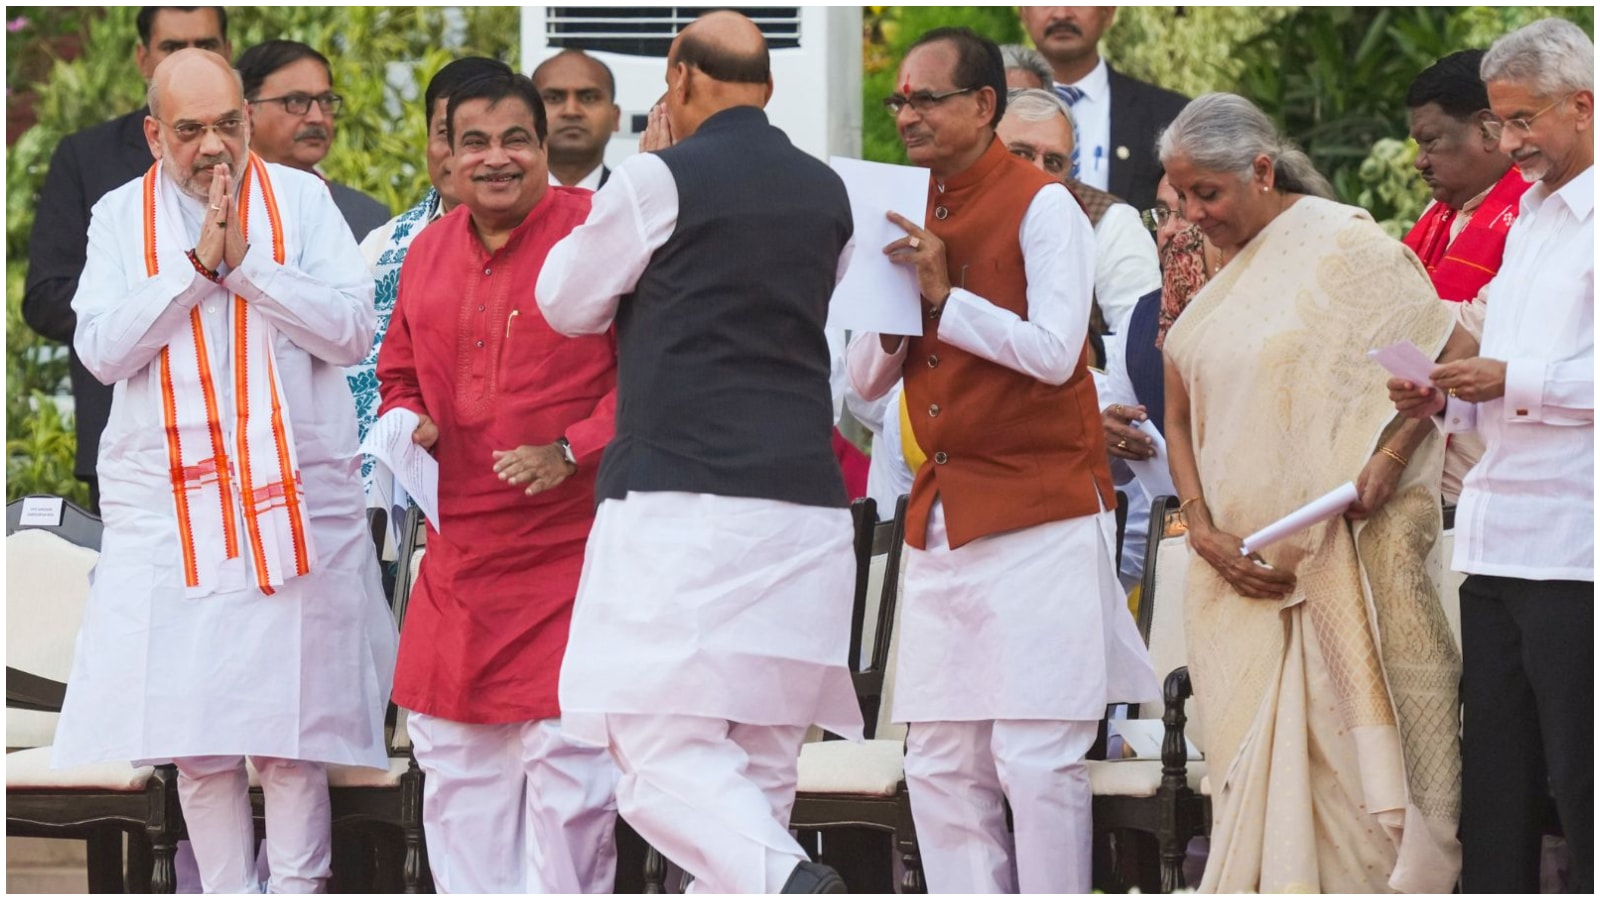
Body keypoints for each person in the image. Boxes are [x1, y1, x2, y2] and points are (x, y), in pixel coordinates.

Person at [50, 49, 397, 893]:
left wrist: (250, 268)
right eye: (191, 129)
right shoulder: (116, 219)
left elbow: (352, 330)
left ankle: (297, 889)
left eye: (229, 124)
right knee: (198, 744)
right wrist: (198, 270)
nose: (214, 147)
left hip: (291, 508)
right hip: (175, 522)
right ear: (152, 134)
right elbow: (99, 348)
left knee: (291, 741)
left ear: (249, 119)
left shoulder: (304, 202)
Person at [536, 11, 861, 894]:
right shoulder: (828, 192)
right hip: (808, 513)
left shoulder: (659, 179)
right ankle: (776, 876)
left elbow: (564, 299)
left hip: (682, 505)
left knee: (651, 756)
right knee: (758, 769)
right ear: (768, 84)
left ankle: (791, 881)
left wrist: (640, 170)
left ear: (677, 80)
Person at [846, 28, 1158, 893]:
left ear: (982, 106)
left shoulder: (1043, 205)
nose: (906, 113)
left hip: (1040, 508)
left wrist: (948, 298)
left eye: (925, 98)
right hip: (942, 510)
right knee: (943, 759)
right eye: (898, 100)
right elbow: (866, 381)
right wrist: (888, 307)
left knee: (1035, 755)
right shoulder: (895, 203)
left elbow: (1060, 354)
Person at [1160, 92, 1467, 892]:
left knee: (1356, 808)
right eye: (1182, 195)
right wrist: (1200, 528)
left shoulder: (1345, 249)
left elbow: (1448, 354)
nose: (1194, 213)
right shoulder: (1209, 266)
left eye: (1209, 194)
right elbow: (1179, 409)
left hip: (1342, 565)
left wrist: (1391, 455)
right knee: (1247, 787)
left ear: (1261, 169)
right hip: (1237, 576)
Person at [375, 68, 620, 894]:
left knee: (572, 797)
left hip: (572, 560)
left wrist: (571, 447)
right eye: (474, 141)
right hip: (461, 569)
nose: (497, 158)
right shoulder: (428, 250)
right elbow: (398, 370)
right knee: (457, 788)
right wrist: (408, 420)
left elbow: (655, 374)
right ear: (446, 152)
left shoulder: (596, 232)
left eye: (516, 139)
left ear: (546, 145)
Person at [1389, 18, 1592, 894]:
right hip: (1496, 530)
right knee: (1498, 784)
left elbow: (1541, 371)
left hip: (1579, 543)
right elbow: (1490, 338)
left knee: (1581, 782)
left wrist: (1515, 376)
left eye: (1523, 121)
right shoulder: (1536, 220)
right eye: (1501, 124)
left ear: (1582, 105)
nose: (1511, 145)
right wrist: (1439, 383)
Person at [23, 6, 231, 514]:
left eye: (205, 45)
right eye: (171, 47)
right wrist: (160, 299)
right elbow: (46, 295)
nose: (189, 58)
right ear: (143, 58)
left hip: (243, 434)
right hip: (126, 431)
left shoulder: (248, 156)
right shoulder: (87, 157)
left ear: (227, 54)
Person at [350, 56, 513, 501]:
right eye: (449, 135)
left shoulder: (569, 240)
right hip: (403, 507)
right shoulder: (381, 250)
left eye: (482, 137)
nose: (467, 154)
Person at [1401, 49, 1532, 507]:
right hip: (1426, 485)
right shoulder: (1436, 217)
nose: (1420, 162)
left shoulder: (1536, 214)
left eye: (1431, 142)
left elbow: (1463, 338)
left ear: (1486, 130)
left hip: (1502, 489)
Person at [1097, 173, 1223, 588]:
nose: (1168, 231)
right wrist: (1109, 436)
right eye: (1162, 214)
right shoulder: (1140, 321)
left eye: (1184, 213)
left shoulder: (1271, 307)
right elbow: (1120, 473)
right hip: (1175, 555)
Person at [997, 85, 1160, 334]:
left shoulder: (1110, 220)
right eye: (1021, 154)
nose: (1038, 171)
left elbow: (1138, 343)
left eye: (1053, 162)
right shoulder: (949, 203)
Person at [1019, 6, 1188, 210]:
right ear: (1023, 13)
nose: (1062, 13)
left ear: (1108, 12)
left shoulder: (1170, 115)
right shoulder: (994, 113)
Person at [236, 39, 389, 240]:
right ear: (246, 113)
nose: (317, 118)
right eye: (296, 101)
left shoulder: (367, 218)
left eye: (325, 101)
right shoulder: (214, 206)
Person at [533, 48, 620, 189]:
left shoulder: (637, 203)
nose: (571, 111)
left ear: (615, 117)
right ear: (528, 117)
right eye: (554, 98)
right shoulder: (501, 202)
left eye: (589, 98)